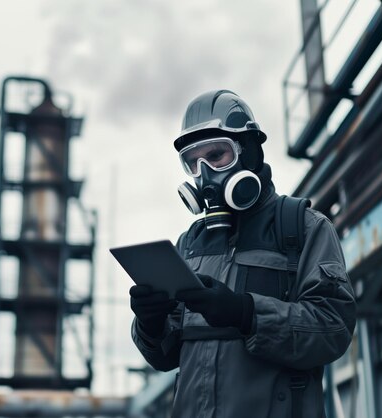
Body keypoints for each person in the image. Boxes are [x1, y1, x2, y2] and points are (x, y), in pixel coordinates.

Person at [130, 90, 357, 418]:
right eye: (193, 162)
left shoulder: (302, 227)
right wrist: (149, 324)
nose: (205, 172)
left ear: (250, 151)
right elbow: (165, 358)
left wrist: (246, 314)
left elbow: (333, 329)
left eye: (217, 155)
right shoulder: (189, 244)